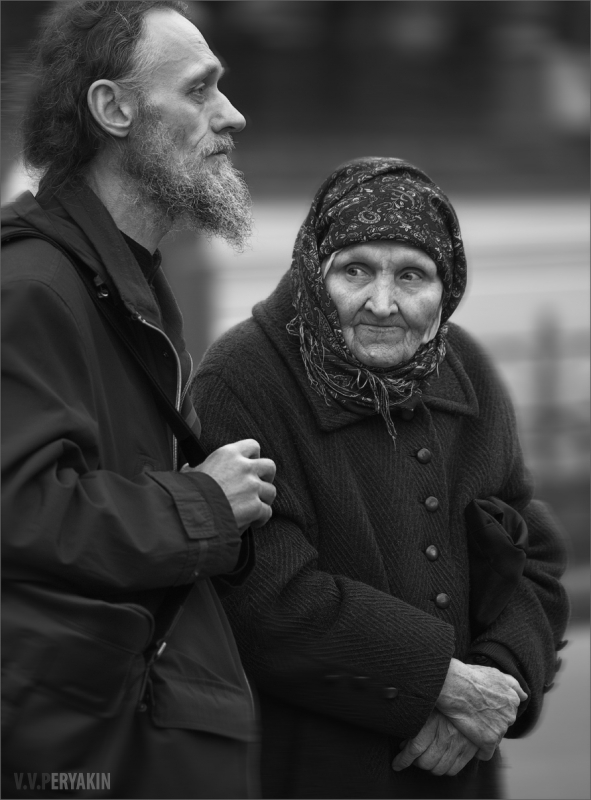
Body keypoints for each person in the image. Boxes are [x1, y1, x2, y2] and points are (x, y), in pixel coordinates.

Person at [192, 157, 570, 799]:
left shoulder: (464, 370)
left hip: (461, 772)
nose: (383, 303)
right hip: (313, 771)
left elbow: (529, 556)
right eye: (356, 269)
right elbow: (265, 600)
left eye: (412, 275)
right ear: (316, 271)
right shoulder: (243, 380)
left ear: (446, 289)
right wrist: (443, 684)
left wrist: (496, 674)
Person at [1, 2, 276, 798]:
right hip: (76, 745)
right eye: (199, 90)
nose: (232, 114)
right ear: (113, 109)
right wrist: (202, 504)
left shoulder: (113, 274)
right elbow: (19, 508)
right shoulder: (33, 288)